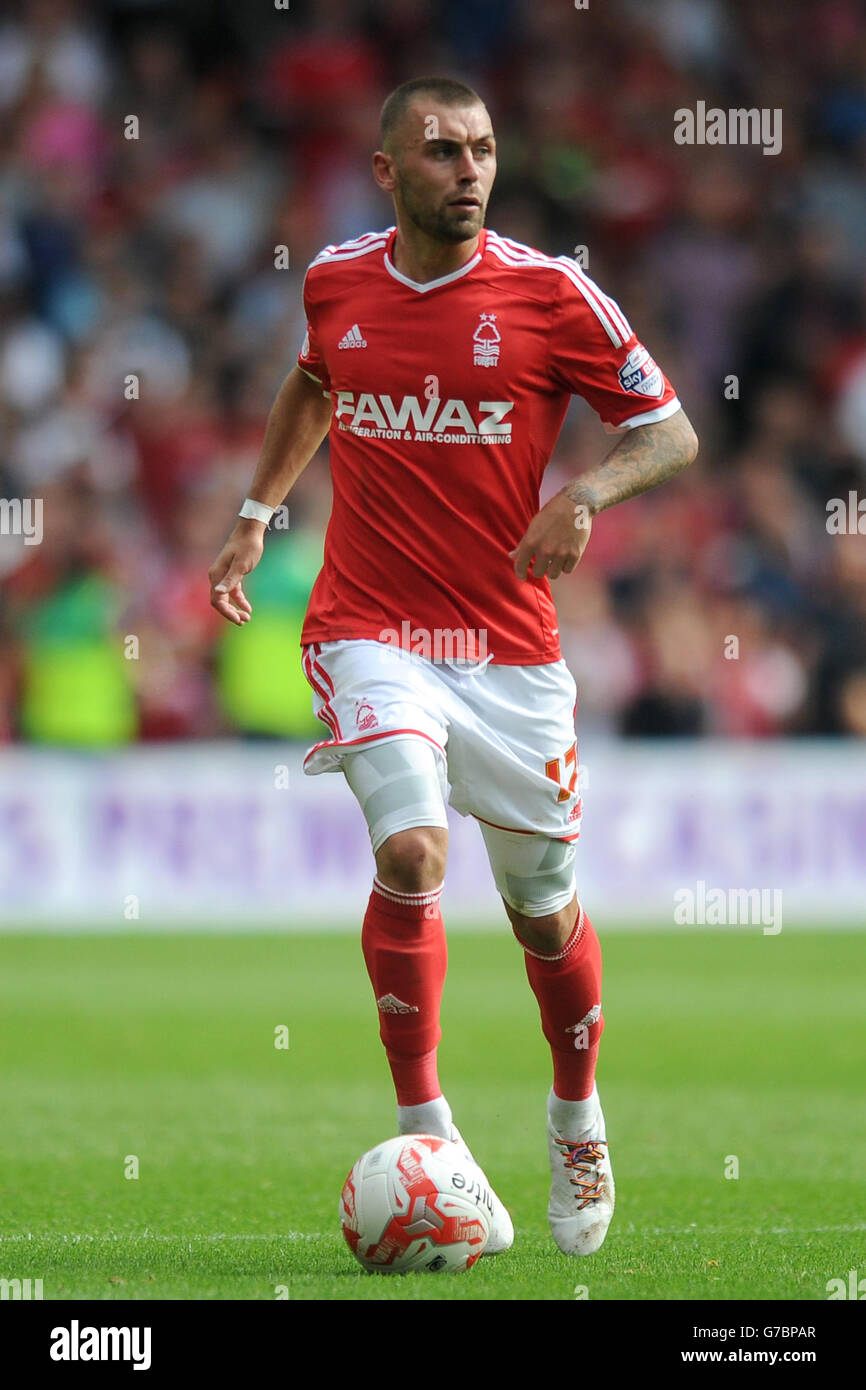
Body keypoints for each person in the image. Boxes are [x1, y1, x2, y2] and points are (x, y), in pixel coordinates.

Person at [208, 76, 698, 1258]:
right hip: (370, 624)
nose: (468, 168)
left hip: (510, 652)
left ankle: (573, 1113)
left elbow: (668, 429)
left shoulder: (547, 293)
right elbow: (316, 381)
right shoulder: (338, 281)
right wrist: (254, 511)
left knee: (541, 913)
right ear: (387, 171)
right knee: (413, 847)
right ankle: (427, 1130)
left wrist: (582, 493)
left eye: (481, 148)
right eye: (440, 151)